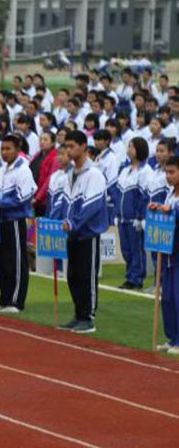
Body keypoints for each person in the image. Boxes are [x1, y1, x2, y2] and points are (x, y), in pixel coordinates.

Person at [58, 130, 110, 334]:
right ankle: (78, 313)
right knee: (73, 275)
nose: (68, 150)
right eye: (66, 147)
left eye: (71, 146)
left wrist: (73, 223)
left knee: (87, 275)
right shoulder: (70, 173)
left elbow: (92, 205)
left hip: (87, 233)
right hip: (72, 233)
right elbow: (65, 201)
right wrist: (57, 221)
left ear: (83, 147)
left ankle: (88, 317)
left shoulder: (94, 174)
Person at [0, 135, 35, 314]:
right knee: (1, 262)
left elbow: (22, 199)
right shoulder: (1, 169)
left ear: (17, 149)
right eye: (2, 149)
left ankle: (16, 301)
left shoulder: (23, 170)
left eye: (8, 149)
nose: (4, 153)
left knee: (17, 262)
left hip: (14, 221)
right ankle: (4, 299)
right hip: (0, 221)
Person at [148, 156, 179, 353]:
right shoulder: (170, 193)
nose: (168, 176)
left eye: (172, 172)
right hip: (167, 252)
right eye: (166, 172)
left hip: (178, 254)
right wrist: (158, 208)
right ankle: (172, 337)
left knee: (177, 297)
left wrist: (171, 209)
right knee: (166, 297)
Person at [114, 137, 152, 290]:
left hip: (134, 219)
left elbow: (144, 196)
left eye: (132, 147)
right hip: (123, 217)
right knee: (126, 250)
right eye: (128, 146)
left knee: (136, 250)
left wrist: (140, 216)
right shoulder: (124, 170)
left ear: (140, 150)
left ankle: (136, 279)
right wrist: (116, 214)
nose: (129, 149)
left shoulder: (145, 171)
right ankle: (130, 275)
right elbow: (118, 194)